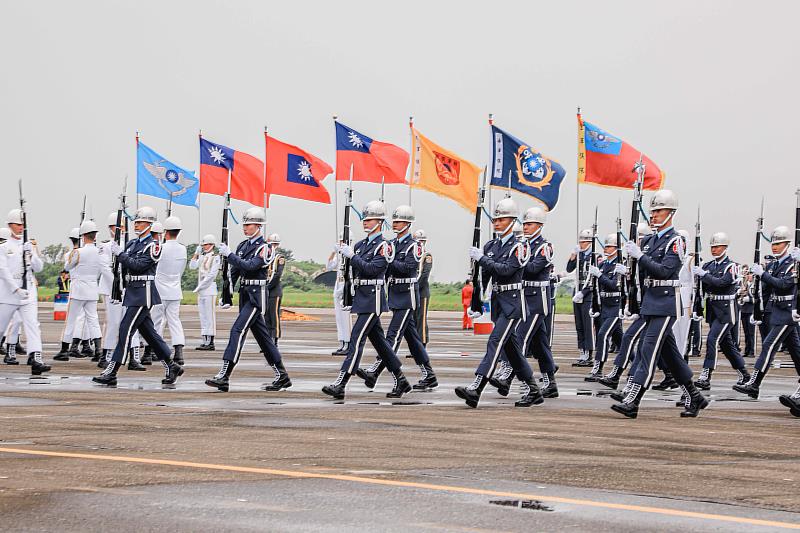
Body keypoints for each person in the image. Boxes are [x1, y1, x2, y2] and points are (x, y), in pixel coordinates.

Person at [611, 190, 708, 418]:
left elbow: (665, 271)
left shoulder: (676, 241)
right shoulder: (650, 240)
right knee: (671, 356)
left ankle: (633, 399)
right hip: (650, 302)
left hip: (666, 302)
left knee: (648, 349)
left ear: (671, 213)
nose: (653, 215)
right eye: (652, 211)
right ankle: (694, 396)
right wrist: (630, 274)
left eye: (659, 211)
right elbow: (641, 275)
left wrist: (641, 257)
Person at [455, 198, 543, 409]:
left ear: (512, 221)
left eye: (501, 219)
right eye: (495, 219)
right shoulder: (491, 245)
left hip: (513, 303)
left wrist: (482, 259)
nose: (496, 223)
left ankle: (476, 387)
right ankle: (533, 390)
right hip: (497, 303)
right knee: (512, 350)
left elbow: (505, 270)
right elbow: (484, 276)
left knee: (494, 341)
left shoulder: (520, 247)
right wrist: (477, 302)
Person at [322, 200, 412, 400]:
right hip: (361, 297)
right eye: (364, 218)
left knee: (356, 338)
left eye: (369, 219)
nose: (365, 222)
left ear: (379, 222)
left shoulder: (385, 246)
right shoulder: (361, 245)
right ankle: (401, 379)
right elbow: (354, 270)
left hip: (374, 299)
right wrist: (343, 257)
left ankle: (341, 382)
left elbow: (373, 269)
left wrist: (352, 256)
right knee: (381, 344)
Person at [93, 207, 183, 386]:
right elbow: (124, 267)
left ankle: (112, 371)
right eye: (135, 221)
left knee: (125, 330)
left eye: (140, 222)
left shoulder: (154, 246)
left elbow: (138, 265)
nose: (136, 225)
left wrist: (120, 254)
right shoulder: (133, 244)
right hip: (132, 292)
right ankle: (171, 365)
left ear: (149, 224)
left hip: (144, 293)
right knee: (150, 334)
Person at [204, 207, 291, 393]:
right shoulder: (243, 246)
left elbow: (250, 266)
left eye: (249, 225)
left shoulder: (266, 248)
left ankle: (224, 375)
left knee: (237, 330)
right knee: (264, 339)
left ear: (258, 226)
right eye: (244, 225)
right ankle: (282, 376)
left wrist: (230, 255)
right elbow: (235, 271)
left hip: (256, 297)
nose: (245, 228)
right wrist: (227, 294)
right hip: (245, 295)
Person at [356, 205, 438, 391]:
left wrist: (389, 260)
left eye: (399, 221)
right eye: (393, 221)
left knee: (393, 335)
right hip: (394, 293)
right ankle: (429, 375)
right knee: (413, 339)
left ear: (407, 224)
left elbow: (408, 267)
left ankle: (375, 371)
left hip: (407, 296)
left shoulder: (414, 246)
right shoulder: (391, 244)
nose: (395, 224)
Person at [489, 206, 559, 399]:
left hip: (537, 299)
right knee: (540, 345)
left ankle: (507, 377)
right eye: (525, 224)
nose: (526, 227)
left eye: (530, 224)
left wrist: (514, 263)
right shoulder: (524, 245)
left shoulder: (544, 247)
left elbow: (533, 268)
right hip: (523, 298)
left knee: (520, 338)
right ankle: (550, 383)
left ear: (540, 225)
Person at [734, 227, 800, 414]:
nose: (775, 247)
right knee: (796, 352)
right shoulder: (773, 265)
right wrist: (758, 309)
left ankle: (754, 383)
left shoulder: (792, 263)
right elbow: (767, 289)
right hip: (777, 310)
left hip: (788, 311)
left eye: (779, 243)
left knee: (769, 345)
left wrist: (764, 275)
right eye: (773, 243)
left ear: (787, 244)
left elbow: (784, 284)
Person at [691, 232, 750, 389]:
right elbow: (706, 287)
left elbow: (722, 283)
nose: (714, 250)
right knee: (726, 345)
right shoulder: (709, 266)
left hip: (726, 310)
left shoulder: (732, 266)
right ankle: (744, 374)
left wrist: (705, 276)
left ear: (725, 247)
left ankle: (706, 375)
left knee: (712, 339)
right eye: (712, 247)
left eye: (717, 247)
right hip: (713, 309)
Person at [598, 222, 652, 390]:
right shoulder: (634, 259)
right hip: (644, 307)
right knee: (661, 351)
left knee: (636, 342)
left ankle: (621, 377)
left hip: (656, 307)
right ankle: (679, 381)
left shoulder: (647, 257)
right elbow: (635, 285)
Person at [0, 209, 48, 374]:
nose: (21, 227)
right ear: (10, 225)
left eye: (22, 224)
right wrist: (15, 289)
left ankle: (36, 358)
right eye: (18, 224)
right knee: (1, 327)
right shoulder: (4, 247)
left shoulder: (28, 245)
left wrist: (32, 254)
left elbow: (39, 268)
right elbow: (3, 270)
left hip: (28, 291)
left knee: (32, 324)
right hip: (9, 292)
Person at [97, 212, 144, 370]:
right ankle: (107, 354)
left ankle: (134, 356)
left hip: (128, 289)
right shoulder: (105, 246)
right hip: (112, 290)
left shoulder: (131, 244)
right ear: (110, 228)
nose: (119, 229)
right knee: (114, 322)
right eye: (116, 226)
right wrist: (118, 286)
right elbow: (105, 268)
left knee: (132, 322)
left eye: (122, 226)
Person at [55, 221, 104, 362]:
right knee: (93, 320)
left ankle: (64, 350)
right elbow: (100, 270)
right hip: (92, 289)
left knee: (70, 320)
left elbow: (67, 266)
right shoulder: (99, 252)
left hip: (78, 290)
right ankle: (98, 351)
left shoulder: (78, 252)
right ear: (95, 236)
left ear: (83, 236)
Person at [584, 233, 624, 381]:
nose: (606, 249)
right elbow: (594, 286)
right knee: (622, 340)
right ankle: (634, 361)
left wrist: (600, 276)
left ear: (617, 248)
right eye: (605, 246)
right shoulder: (603, 264)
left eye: (609, 246)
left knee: (602, 334)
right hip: (603, 306)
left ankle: (598, 367)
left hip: (615, 306)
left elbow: (614, 285)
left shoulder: (619, 264)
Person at [151, 216, 187, 366]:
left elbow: (154, 268)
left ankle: (155, 350)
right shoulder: (183, 249)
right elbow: (181, 270)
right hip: (175, 289)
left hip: (160, 289)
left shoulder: (161, 248)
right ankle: (179, 352)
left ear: (165, 232)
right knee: (174, 321)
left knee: (156, 321)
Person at [566, 229, 595, 367]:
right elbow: (569, 269)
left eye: (583, 242)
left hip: (587, 294)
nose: (581, 244)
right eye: (580, 241)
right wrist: (573, 255)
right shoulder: (579, 256)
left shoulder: (595, 257)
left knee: (587, 325)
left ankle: (589, 354)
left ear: (589, 242)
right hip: (577, 291)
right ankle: (582, 351)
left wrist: (583, 293)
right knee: (579, 325)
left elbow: (592, 279)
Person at [190, 234, 220, 351]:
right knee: (203, 316)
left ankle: (211, 342)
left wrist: (200, 286)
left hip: (209, 289)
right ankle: (205, 340)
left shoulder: (215, 257)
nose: (204, 246)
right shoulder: (202, 257)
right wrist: (196, 254)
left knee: (209, 316)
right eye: (203, 245)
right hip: (201, 290)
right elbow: (192, 266)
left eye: (206, 244)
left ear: (212, 245)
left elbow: (212, 275)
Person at [326, 235, 351, 355]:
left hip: (346, 286)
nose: (340, 243)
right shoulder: (340, 255)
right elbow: (329, 266)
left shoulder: (351, 253)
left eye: (342, 241)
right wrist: (333, 252)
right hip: (338, 285)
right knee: (339, 318)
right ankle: (342, 342)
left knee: (346, 318)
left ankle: (348, 343)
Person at [264, 233, 284, 346]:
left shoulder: (279, 258)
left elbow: (277, 275)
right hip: (266, 289)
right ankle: (267, 340)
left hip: (274, 290)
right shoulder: (266, 257)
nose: (273, 246)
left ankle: (274, 339)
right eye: (272, 244)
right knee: (266, 316)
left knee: (274, 315)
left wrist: (268, 286)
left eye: (275, 244)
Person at [414, 229, 432, 347]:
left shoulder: (426, 256)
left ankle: (422, 344)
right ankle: (416, 345)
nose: (419, 243)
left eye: (421, 241)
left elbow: (424, 274)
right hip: (412, 291)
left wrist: (415, 287)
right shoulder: (413, 255)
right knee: (414, 319)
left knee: (421, 318)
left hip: (422, 292)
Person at [737, 265, 756, 357]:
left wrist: (749, 299)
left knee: (751, 332)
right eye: (747, 274)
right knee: (746, 332)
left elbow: (757, 299)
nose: (748, 276)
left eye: (750, 274)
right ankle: (747, 350)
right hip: (744, 310)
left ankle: (751, 351)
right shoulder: (745, 284)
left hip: (751, 310)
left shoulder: (755, 285)